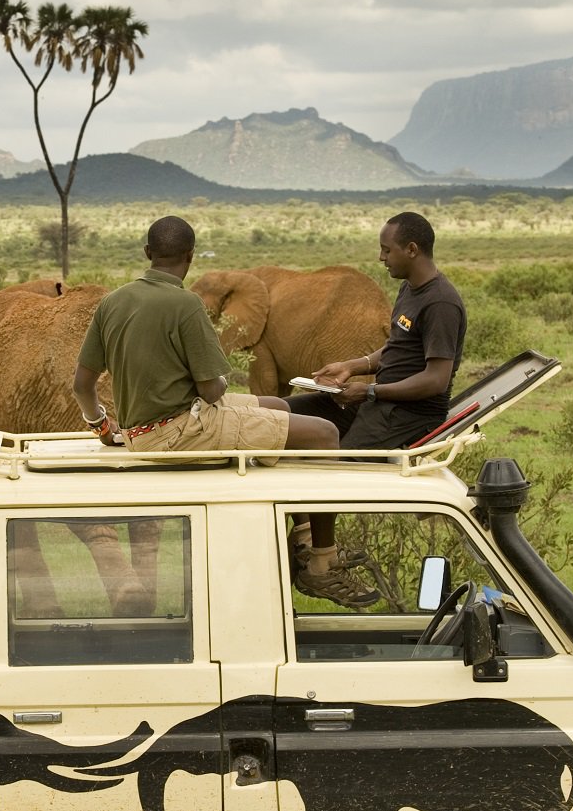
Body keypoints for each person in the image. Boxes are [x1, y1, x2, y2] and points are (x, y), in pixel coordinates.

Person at [71, 217, 377, 606]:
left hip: (142, 430)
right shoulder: (185, 304)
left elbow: (82, 386)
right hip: (183, 429)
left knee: (277, 405)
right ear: (190, 256)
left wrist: (101, 426)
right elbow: (213, 390)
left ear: (148, 254)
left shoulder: (112, 302)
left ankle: (302, 539)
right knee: (323, 434)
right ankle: (322, 562)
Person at [284, 211, 467, 596]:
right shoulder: (410, 290)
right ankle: (304, 537)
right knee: (286, 415)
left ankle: (322, 560)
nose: (382, 258)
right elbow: (396, 350)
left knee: (324, 465)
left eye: (387, 250)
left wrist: (369, 391)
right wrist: (354, 366)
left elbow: (435, 380)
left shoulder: (442, 303)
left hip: (407, 414)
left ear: (412, 249)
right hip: (377, 398)